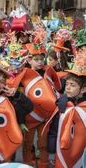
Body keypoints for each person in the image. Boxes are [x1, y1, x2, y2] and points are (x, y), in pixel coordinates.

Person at [47, 28, 86, 168]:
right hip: (61, 153)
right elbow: (54, 130)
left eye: (72, 85)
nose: (67, 88)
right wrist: (51, 152)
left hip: (81, 154)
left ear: (83, 89)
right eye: (67, 84)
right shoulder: (62, 103)